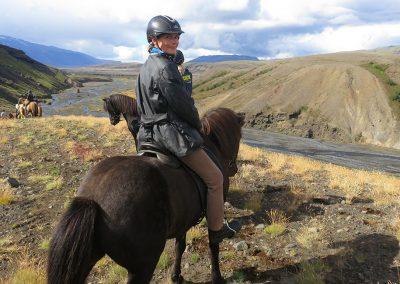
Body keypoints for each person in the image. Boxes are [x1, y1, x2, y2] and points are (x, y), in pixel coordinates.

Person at [136, 15, 241, 244]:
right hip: (170, 135)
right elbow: (183, 106)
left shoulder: (146, 66)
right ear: (153, 40)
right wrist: (197, 124)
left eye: (176, 36)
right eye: (167, 37)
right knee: (215, 178)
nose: (174, 41)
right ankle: (217, 229)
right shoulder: (166, 68)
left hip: (147, 133)